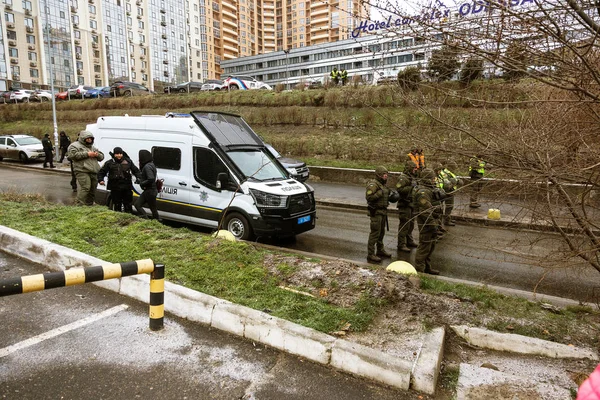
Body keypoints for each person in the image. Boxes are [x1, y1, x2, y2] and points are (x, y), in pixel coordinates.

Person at [414, 168, 444, 275]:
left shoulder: (429, 190)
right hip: (426, 224)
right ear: (427, 179)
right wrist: (433, 225)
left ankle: (427, 267)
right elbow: (425, 212)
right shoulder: (423, 192)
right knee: (424, 247)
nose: (434, 180)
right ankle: (419, 271)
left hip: (432, 222)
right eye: (432, 178)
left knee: (430, 247)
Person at [97, 147, 141, 213]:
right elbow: (102, 172)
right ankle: (118, 217)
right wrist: (100, 180)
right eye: (117, 154)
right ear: (114, 154)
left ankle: (128, 216)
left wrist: (138, 177)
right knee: (117, 204)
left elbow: (136, 170)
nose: (119, 155)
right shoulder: (109, 163)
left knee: (128, 204)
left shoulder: (128, 161)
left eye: (120, 154)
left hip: (126, 186)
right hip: (115, 186)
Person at [67, 130, 104, 205]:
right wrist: (87, 154)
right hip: (82, 170)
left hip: (93, 171)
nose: (89, 140)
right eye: (87, 139)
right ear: (83, 138)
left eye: (91, 139)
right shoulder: (74, 145)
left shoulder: (92, 147)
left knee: (93, 189)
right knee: (86, 187)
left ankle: (89, 205)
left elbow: (101, 157)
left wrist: (97, 155)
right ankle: (79, 204)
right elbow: (72, 155)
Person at [365, 166, 394, 263]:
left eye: (386, 174)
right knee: (375, 233)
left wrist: (391, 196)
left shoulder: (383, 185)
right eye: (384, 174)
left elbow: (386, 195)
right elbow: (369, 197)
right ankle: (371, 254)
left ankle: (380, 250)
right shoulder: (373, 185)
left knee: (381, 232)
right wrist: (380, 193)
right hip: (376, 212)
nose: (386, 176)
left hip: (383, 212)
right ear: (378, 175)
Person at [134, 149, 160, 220]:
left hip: (149, 190)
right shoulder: (152, 165)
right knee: (153, 208)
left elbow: (151, 178)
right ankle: (154, 221)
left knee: (138, 205)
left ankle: (147, 219)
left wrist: (141, 183)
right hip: (152, 190)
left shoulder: (147, 166)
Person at [396, 172, 418, 252]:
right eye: (414, 168)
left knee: (411, 224)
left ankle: (409, 240)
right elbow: (400, 190)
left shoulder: (413, 177)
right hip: (404, 204)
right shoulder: (403, 178)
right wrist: (410, 187)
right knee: (404, 225)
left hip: (411, 204)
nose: (415, 169)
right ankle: (401, 244)